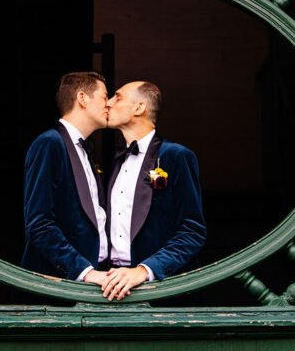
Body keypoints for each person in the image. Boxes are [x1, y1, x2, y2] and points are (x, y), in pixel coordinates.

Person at [103, 80, 206, 300]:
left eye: (117, 97)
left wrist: (144, 270)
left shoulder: (177, 156)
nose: (108, 103)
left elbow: (192, 231)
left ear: (139, 108)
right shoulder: (116, 161)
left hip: (162, 291)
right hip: (110, 287)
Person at [21, 71, 109, 285]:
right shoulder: (49, 143)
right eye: (105, 97)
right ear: (82, 98)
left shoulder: (85, 150)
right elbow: (39, 224)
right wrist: (84, 271)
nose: (109, 105)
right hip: (58, 286)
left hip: (96, 280)